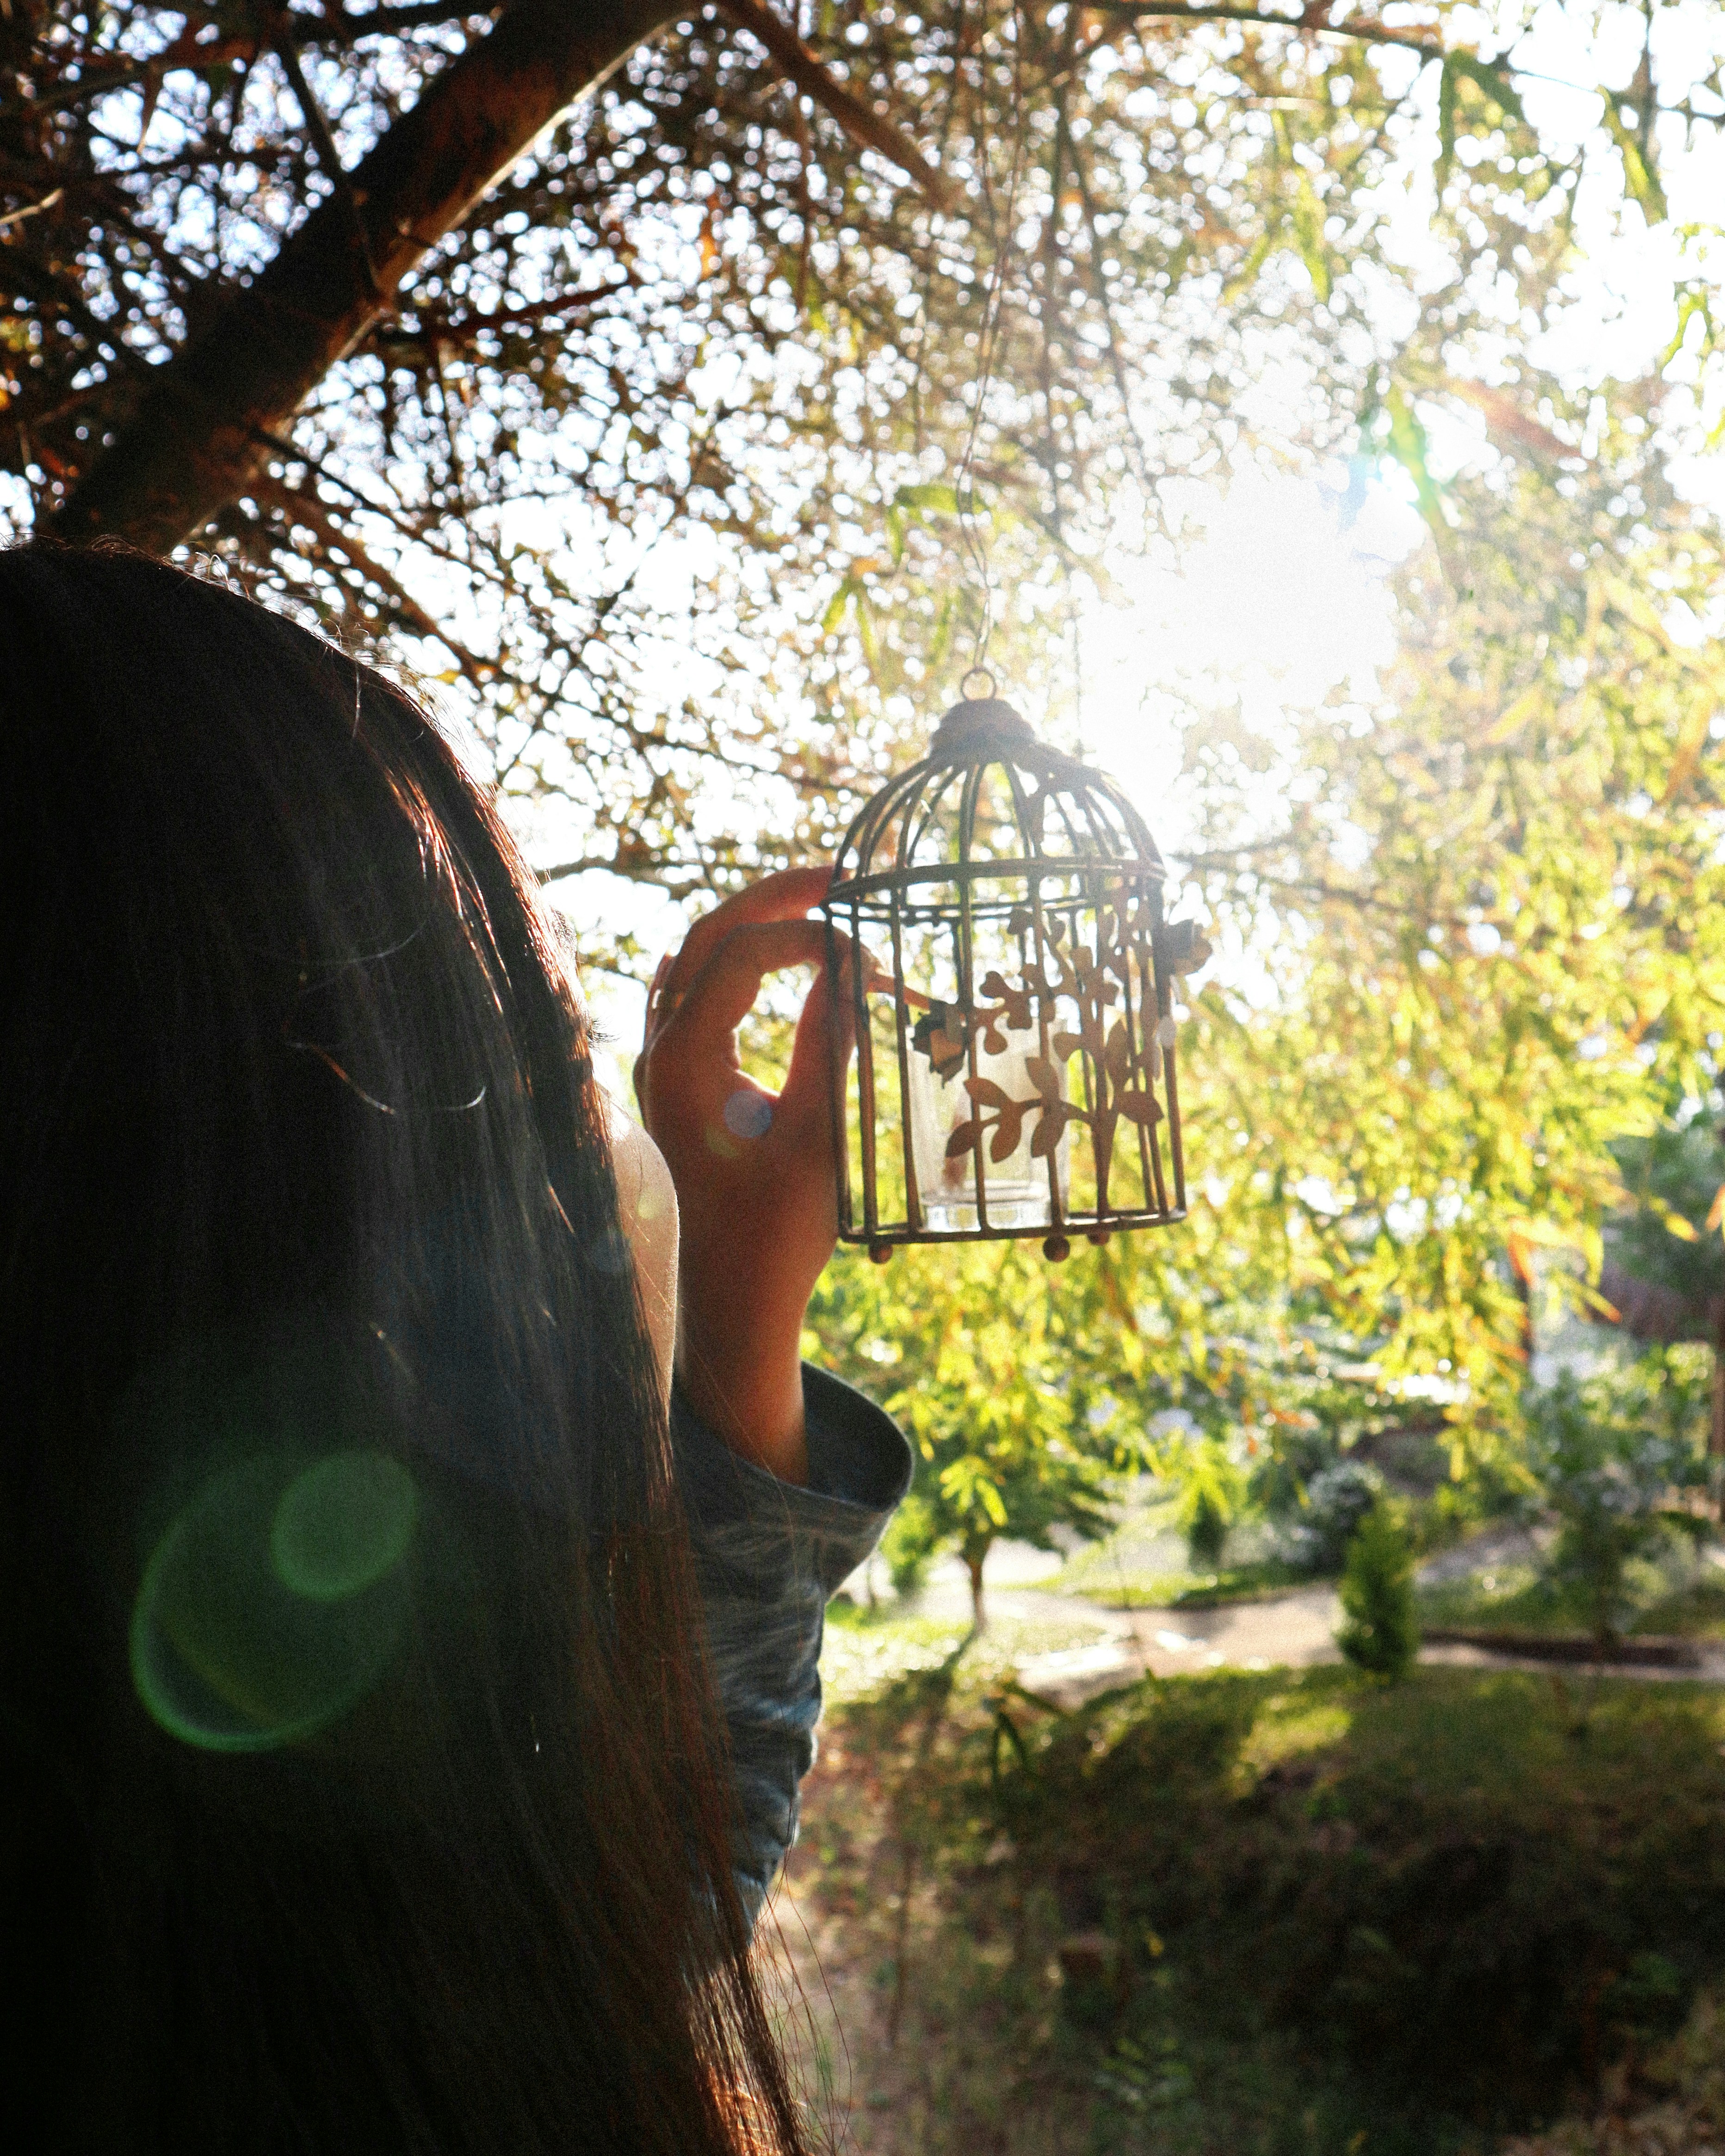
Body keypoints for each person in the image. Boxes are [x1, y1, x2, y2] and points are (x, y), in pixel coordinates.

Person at [0, 544, 910, 2152]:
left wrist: (744, 1311)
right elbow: (610, 1919)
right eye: (522, 1087)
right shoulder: (338, 1985)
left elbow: (611, 1892)